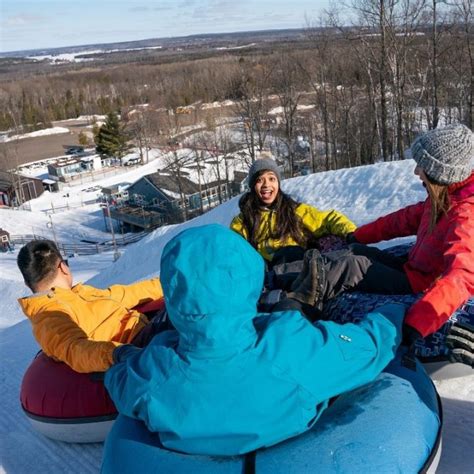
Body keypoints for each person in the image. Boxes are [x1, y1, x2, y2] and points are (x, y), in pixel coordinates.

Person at [104, 224, 405, 456]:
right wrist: (392, 315)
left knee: (276, 319)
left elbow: (118, 380)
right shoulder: (289, 348)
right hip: (288, 428)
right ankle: (301, 301)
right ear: (248, 280)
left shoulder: (154, 371)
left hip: (202, 361)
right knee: (288, 317)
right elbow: (365, 349)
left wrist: (124, 356)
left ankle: (297, 300)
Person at [271, 123, 474, 359]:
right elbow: (401, 221)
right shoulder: (441, 199)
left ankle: (297, 306)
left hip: (420, 283)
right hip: (412, 266)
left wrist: (418, 322)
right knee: (355, 251)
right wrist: (359, 235)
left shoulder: (465, 215)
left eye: (423, 166)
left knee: (350, 267)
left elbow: (463, 275)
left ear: (441, 174)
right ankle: (280, 275)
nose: (416, 171)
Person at [17, 239, 164, 373]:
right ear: (63, 267)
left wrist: (168, 281)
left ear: (27, 283)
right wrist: (116, 353)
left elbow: (127, 294)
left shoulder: (80, 293)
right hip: (138, 347)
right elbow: (75, 350)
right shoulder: (49, 314)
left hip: (149, 331)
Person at [230, 158, 356, 265]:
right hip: (268, 272)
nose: (266, 185)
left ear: (278, 183)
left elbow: (328, 219)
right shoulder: (244, 221)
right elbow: (233, 249)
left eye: (271, 179)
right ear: (252, 186)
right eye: (259, 180)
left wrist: (351, 233)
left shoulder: (293, 210)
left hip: (299, 266)